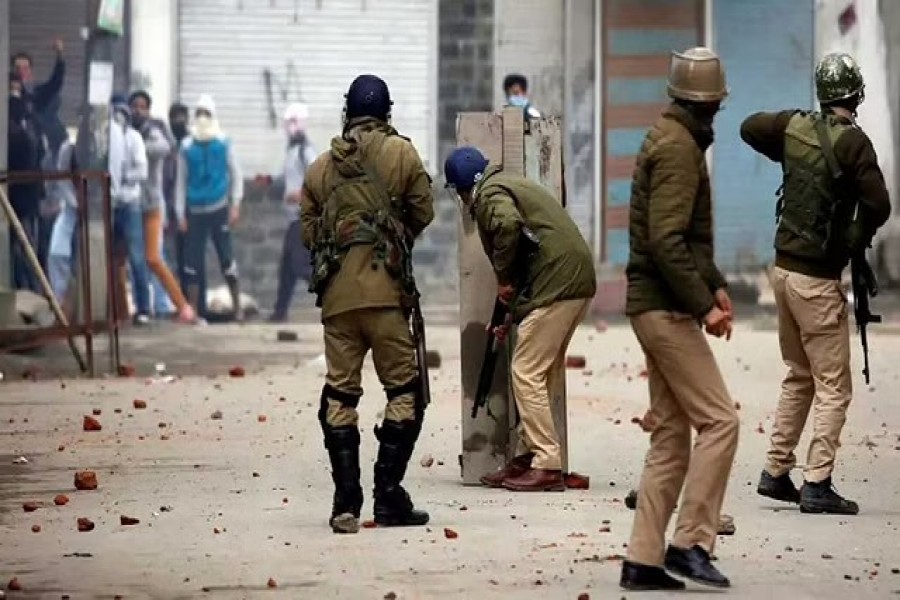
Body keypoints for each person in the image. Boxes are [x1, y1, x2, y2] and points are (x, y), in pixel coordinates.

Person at [741, 52, 891, 516]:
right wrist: (852, 239)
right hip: (816, 280)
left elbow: (749, 127)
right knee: (833, 385)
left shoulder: (793, 127)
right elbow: (880, 205)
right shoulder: (854, 145)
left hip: (782, 275)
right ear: (856, 95)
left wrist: (793, 132)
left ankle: (775, 470)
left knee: (799, 375)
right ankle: (818, 482)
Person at [619, 47, 739, 591]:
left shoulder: (675, 139)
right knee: (720, 421)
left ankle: (642, 561)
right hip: (664, 307)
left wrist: (716, 285)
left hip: (656, 303)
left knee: (670, 435)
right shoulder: (678, 148)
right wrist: (703, 306)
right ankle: (690, 543)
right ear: (712, 102)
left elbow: (686, 236)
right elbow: (667, 241)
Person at [300, 74, 434, 534]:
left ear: (347, 113)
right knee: (404, 393)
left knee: (340, 393)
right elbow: (423, 210)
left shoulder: (319, 167)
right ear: (387, 113)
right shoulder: (402, 153)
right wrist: (392, 238)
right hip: (386, 296)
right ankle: (388, 496)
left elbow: (308, 232)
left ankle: (345, 501)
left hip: (337, 301)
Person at [443, 146, 596, 492]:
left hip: (559, 282)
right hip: (570, 278)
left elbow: (509, 227)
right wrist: (510, 312)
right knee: (541, 370)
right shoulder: (508, 184)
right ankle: (529, 454)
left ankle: (546, 462)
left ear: (464, 188)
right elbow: (529, 257)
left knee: (525, 371)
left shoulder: (489, 196)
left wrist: (503, 278)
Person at [175, 94, 244, 321]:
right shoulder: (186, 147)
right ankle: (193, 309)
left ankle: (237, 307)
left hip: (219, 208)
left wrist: (235, 204)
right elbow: (181, 182)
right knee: (192, 262)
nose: (203, 118)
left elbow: (236, 173)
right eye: (200, 114)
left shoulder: (223, 143)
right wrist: (179, 213)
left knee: (227, 258)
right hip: (195, 211)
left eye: (207, 113)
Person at [129, 90, 195, 324]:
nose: (138, 110)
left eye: (142, 106)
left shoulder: (152, 132)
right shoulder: (124, 134)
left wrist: (136, 148)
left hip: (152, 204)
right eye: (134, 106)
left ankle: (182, 306)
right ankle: (140, 308)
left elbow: (163, 148)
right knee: (131, 260)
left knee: (153, 258)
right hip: (130, 205)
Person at [268, 102, 318, 323]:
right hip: (292, 217)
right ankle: (280, 311)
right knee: (287, 268)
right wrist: (269, 181)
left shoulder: (307, 152)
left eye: (294, 122)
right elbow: (285, 178)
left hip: (303, 216)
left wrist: (301, 194)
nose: (290, 127)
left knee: (300, 264)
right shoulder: (291, 152)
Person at [108, 94, 151, 324]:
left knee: (136, 256)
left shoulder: (134, 138)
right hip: (109, 202)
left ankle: (143, 308)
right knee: (109, 257)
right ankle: (113, 308)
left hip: (129, 203)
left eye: (123, 113)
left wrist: (123, 175)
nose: (120, 118)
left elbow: (142, 172)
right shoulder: (104, 138)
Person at [7, 72, 46, 293]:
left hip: (27, 191)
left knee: (27, 244)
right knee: (19, 244)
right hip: (14, 190)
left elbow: (36, 152)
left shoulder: (31, 121)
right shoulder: (17, 120)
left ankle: (29, 288)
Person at [164, 102, 190, 292]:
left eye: (181, 117)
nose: (178, 121)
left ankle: (188, 295)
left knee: (188, 255)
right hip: (169, 205)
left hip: (189, 206)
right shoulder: (167, 144)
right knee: (173, 255)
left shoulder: (191, 144)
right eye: (174, 117)